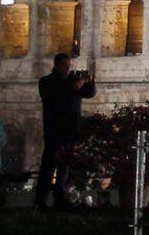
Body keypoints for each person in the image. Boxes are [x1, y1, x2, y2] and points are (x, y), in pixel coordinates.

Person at [35, 52, 96, 209]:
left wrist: (89, 81)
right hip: (54, 130)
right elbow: (56, 95)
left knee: (65, 167)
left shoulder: (73, 80)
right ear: (57, 65)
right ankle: (40, 200)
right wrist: (76, 84)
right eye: (66, 66)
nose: (69, 69)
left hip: (71, 130)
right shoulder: (47, 82)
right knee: (48, 166)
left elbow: (89, 93)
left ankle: (60, 197)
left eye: (70, 66)